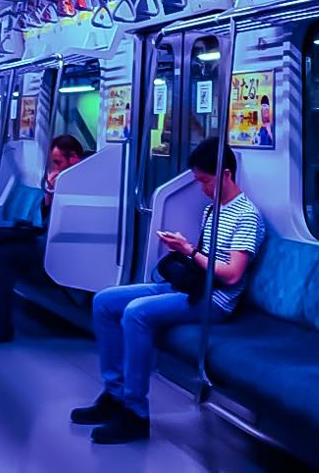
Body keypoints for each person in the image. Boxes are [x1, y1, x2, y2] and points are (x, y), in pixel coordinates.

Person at [70, 137, 264, 445]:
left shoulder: (247, 216)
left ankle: (135, 413)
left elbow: (231, 274)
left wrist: (187, 250)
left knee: (136, 313)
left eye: (205, 181)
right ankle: (114, 394)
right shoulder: (212, 210)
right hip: (193, 286)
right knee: (105, 301)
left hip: (214, 302)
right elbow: (204, 262)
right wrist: (186, 251)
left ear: (226, 175)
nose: (202, 188)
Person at [0, 134, 85, 344]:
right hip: (47, 238)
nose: (55, 167)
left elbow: (69, 222)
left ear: (73, 158)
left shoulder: (84, 180)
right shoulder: (63, 178)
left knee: (5, 253)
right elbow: (46, 218)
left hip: (63, 247)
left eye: (58, 162)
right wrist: (50, 195)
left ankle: (1, 326)